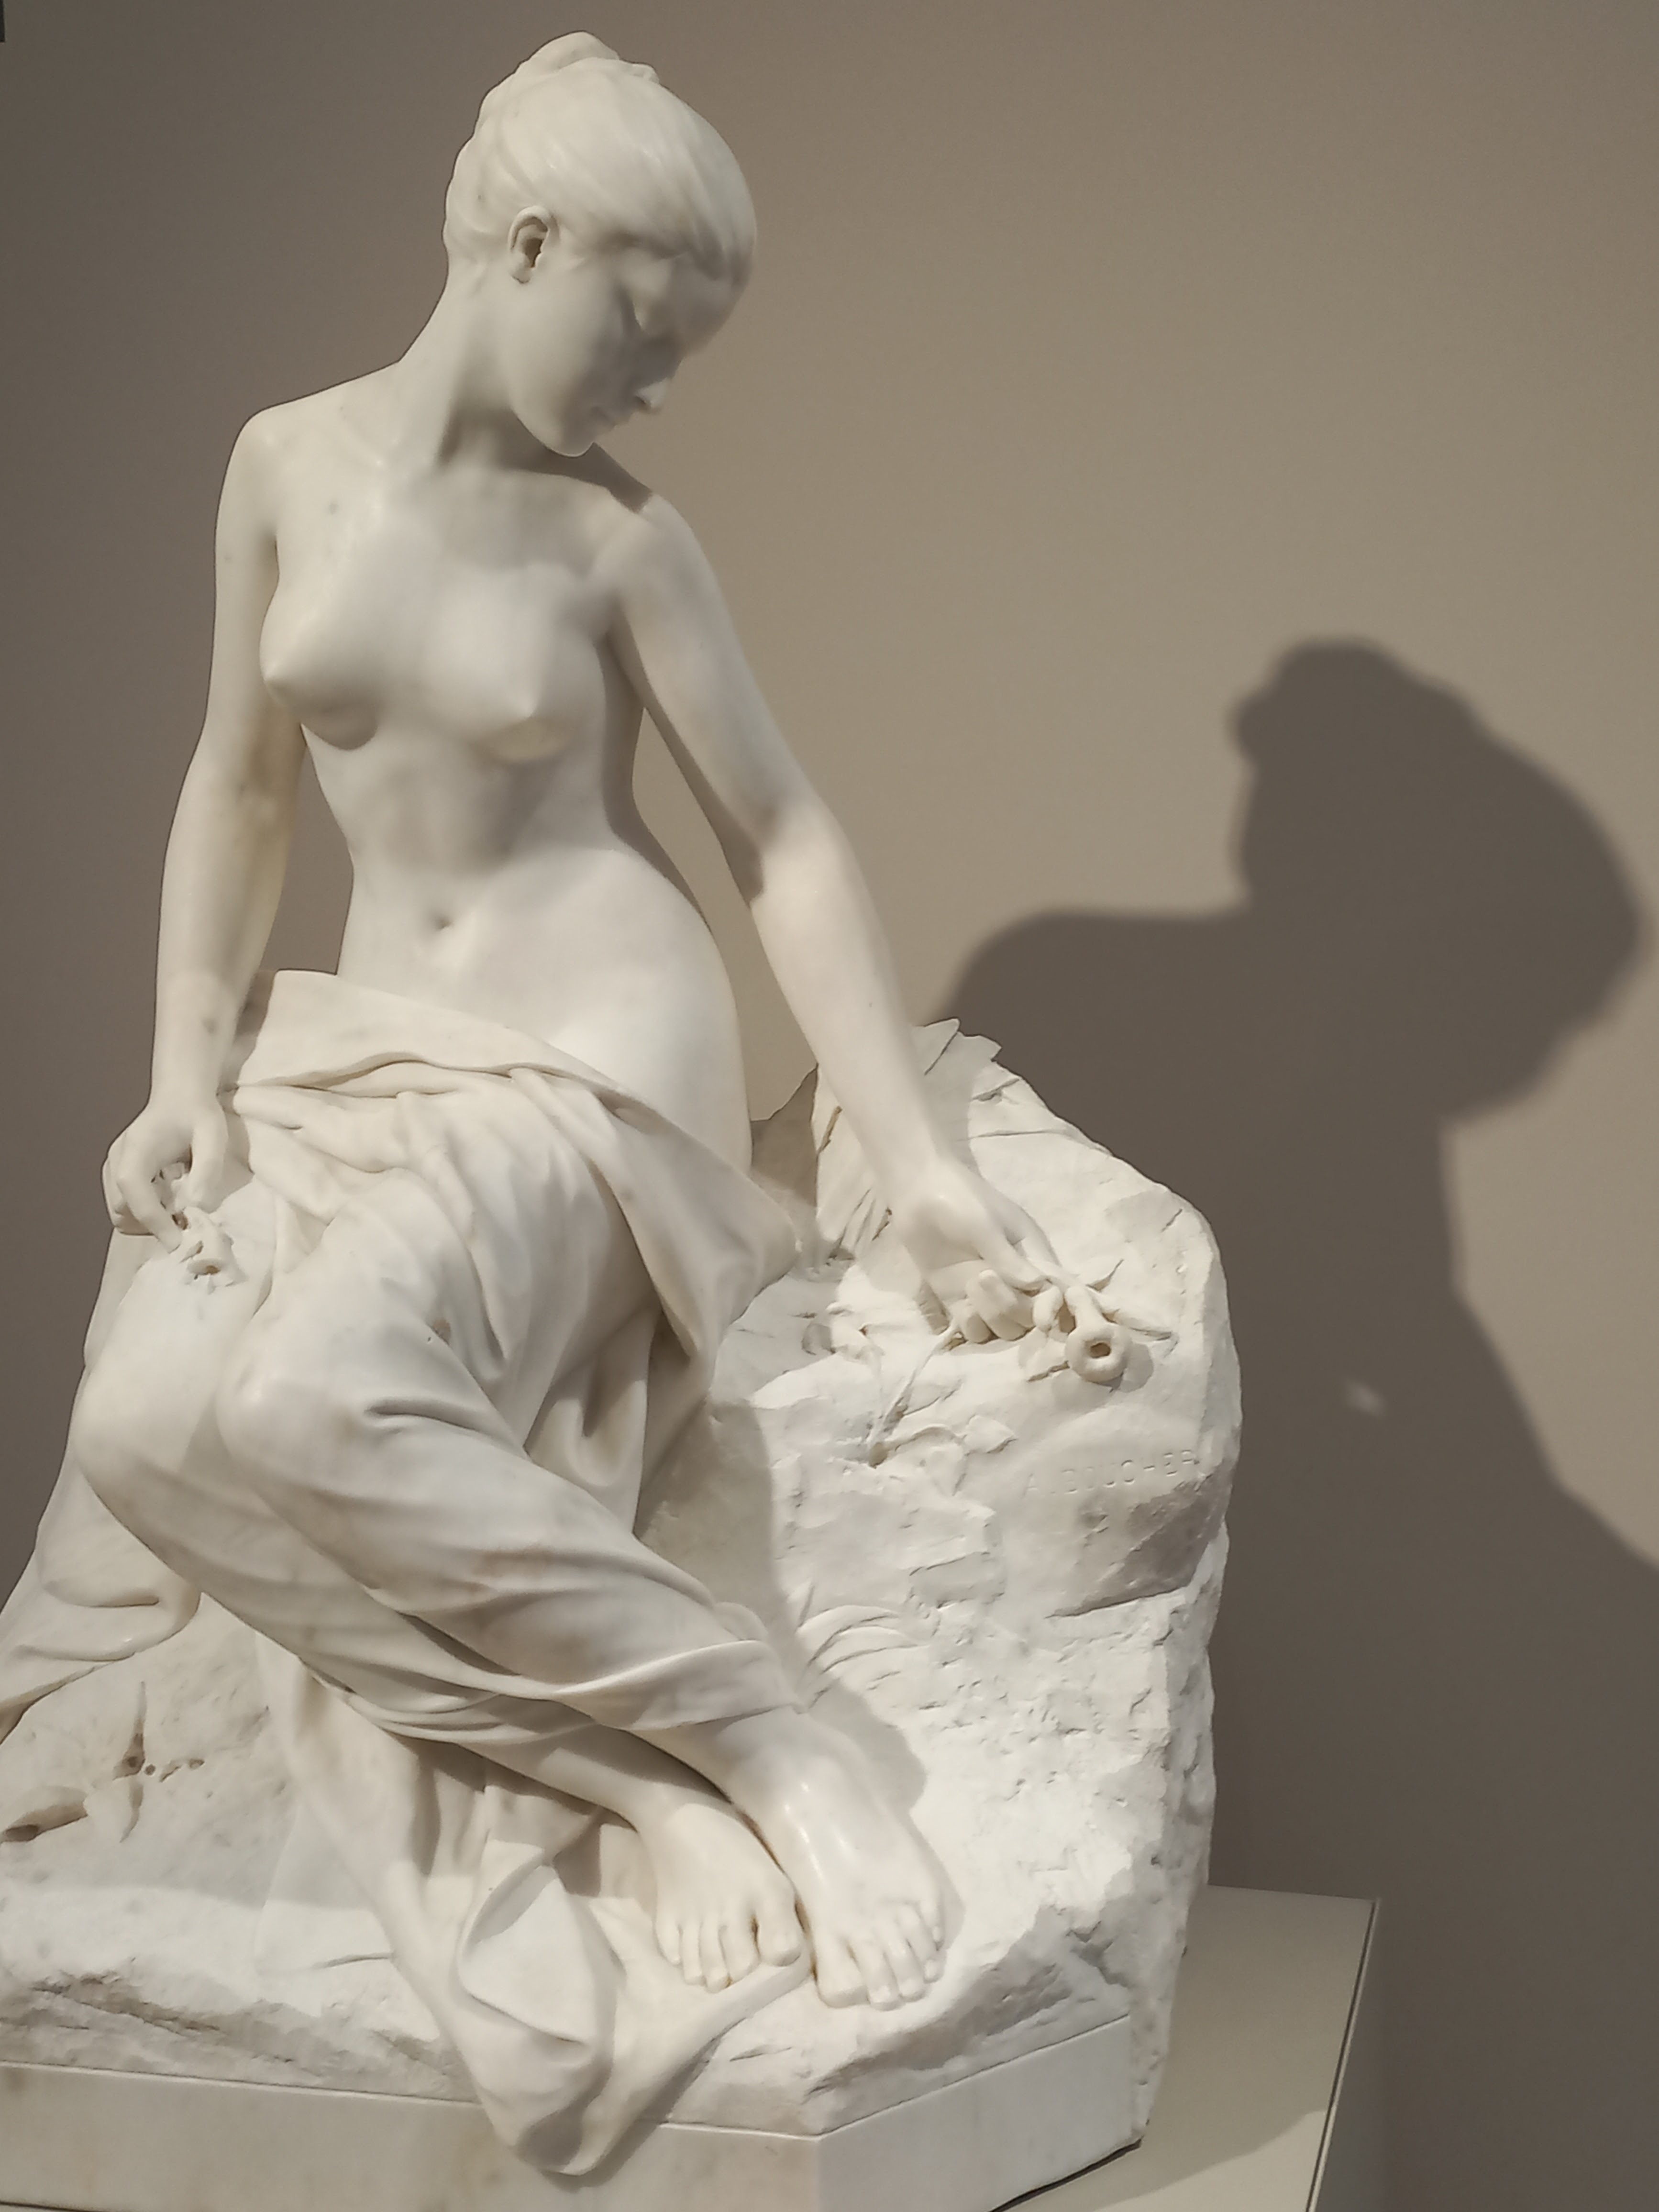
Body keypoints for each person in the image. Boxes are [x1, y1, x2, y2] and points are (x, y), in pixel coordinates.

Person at [44, 30, 1054, 2085]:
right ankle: (640, 1776)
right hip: (356, 1053)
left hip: (591, 1064)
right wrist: (182, 1074)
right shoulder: (279, 465)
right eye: (643, 327)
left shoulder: (619, 547)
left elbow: (781, 838)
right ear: (525, 245)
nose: (659, 386)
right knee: (146, 1432)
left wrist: (915, 1156)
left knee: (309, 1398)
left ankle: (769, 1737)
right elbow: (239, 787)